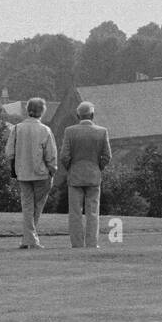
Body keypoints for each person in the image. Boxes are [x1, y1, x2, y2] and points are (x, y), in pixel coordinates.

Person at [5, 97, 58, 249]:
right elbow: (51, 155)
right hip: (41, 173)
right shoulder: (45, 130)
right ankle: (30, 239)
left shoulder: (16, 128)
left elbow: (9, 152)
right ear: (42, 111)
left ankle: (28, 239)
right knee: (36, 207)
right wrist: (52, 170)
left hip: (22, 172)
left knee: (27, 207)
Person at [60, 100, 113, 248]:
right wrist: (98, 167)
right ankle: (92, 243)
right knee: (93, 212)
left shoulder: (69, 131)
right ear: (93, 115)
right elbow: (107, 156)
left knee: (75, 212)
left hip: (75, 175)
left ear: (78, 115)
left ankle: (76, 243)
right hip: (93, 174)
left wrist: (71, 168)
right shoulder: (102, 131)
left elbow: (64, 156)